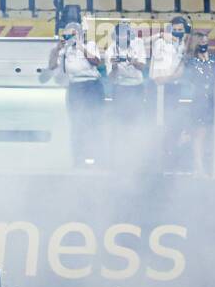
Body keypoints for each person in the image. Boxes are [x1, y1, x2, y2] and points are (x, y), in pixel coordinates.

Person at [46, 20, 104, 167]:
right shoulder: (64, 50)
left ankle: (96, 158)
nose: (70, 36)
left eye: (74, 33)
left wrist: (80, 46)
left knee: (94, 121)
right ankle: (78, 158)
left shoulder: (89, 45)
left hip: (92, 85)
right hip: (75, 87)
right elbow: (52, 65)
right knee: (77, 123)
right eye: (68, 33)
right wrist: (57, 49)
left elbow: (97, 61)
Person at [183, 30, 215, 177]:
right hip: (200, 100)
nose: (204, 44)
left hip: (214, 100)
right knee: (200, 134)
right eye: (200, 42)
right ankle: (199, 167)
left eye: (205, 41)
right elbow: (195, 78)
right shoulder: (190, 61)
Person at [148, 16, 190, 171]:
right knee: (157, 123)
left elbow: (183, 71)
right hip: (158, 90)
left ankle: (168, 160)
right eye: (175, 30)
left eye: (181, 30)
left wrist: (174, 76)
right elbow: (159, 76)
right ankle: (155, 162)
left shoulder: (185, 46)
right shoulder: (162, 43)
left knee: (172, 125)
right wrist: (160, 35)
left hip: (174, 89)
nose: (178, 33)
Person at [103, 20, 148, 160]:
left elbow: (142, 67)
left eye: (125, 34)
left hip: (137, 87)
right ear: (115, 36)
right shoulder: (110, 50)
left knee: (137, 121)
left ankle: (136, 153)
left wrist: (132, 60)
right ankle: (118, 155)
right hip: (121, 89)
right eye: (120, 35)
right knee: (119, 123)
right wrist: (115, 66)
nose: (123, 37)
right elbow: (111, 78)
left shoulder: (138, 45)